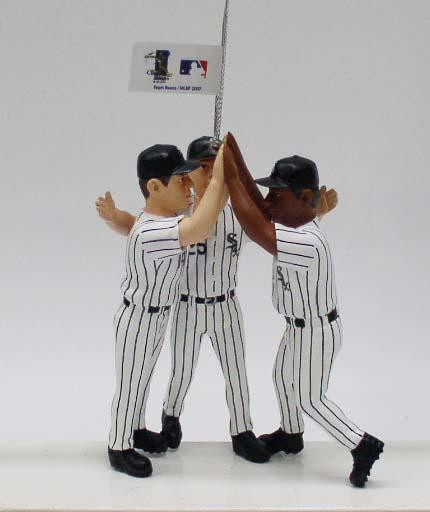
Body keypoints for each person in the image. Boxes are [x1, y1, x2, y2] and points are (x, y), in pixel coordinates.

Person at [222, 133, 384, 488]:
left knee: (311, 399)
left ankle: (361, 444)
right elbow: (260, 207)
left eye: (277, 195)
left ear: (306, 198)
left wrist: (230, 176)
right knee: (282, 377)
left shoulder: (307, 239)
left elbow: (255, 225)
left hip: (317, 330)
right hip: (296, 327)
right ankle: (291, 434)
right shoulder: (292, 221)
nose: (269, 201)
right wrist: (234, 153)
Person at [98, 136, 270, 463]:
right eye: (193, 172)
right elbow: (192, 227)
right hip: (176, 307)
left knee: (233, 372)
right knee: (160, 375)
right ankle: (124, 443)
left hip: (218, 304)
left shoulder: (207, 214)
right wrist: (219, 181)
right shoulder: (174, 219)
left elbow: (266, 228)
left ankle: (239, 430)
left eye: (214, 168)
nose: (197, 179)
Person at [100, 141, 226, 478]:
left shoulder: (156, 219)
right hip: (139, 318)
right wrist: (217, 181)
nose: (189, 188)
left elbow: (129, 222)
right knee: (131, 384)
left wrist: (114, 217)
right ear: (155, 187)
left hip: (155, 316)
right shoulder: (155, 230)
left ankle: (136, 429)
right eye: (181, 181)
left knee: (142, 379)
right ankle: (118, 446)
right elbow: (201, 227)